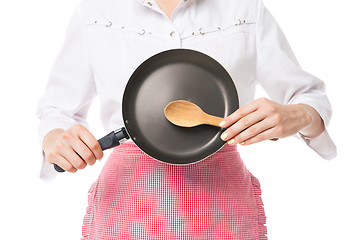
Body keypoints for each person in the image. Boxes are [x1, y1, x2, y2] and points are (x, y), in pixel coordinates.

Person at [36, 0, 337, 239]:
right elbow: (58, 110)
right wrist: (55, 138)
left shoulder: (245, 8)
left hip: (223, 205)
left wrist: (298, 114)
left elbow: (309, 97)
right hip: (126, 203)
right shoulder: (96, 11)